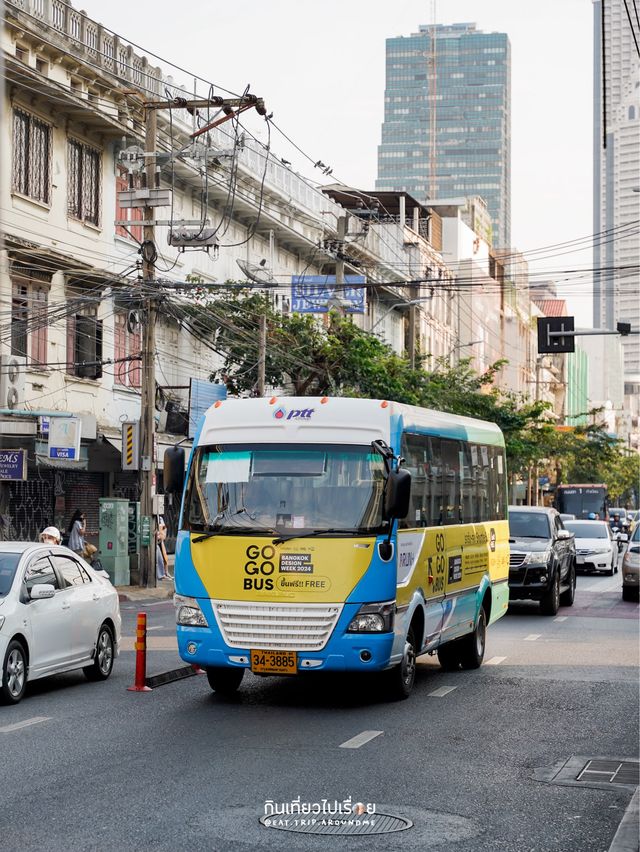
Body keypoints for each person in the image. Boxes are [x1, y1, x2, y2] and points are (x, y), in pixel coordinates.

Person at [156, 516, 169, 581]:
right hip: (155, 541)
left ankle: (164, 573)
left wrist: (160, 535)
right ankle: (161, 575)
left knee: (164, 557)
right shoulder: (158, 518)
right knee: (160, 557)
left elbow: (164, 530)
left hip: (159, 541)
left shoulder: (160, 518)